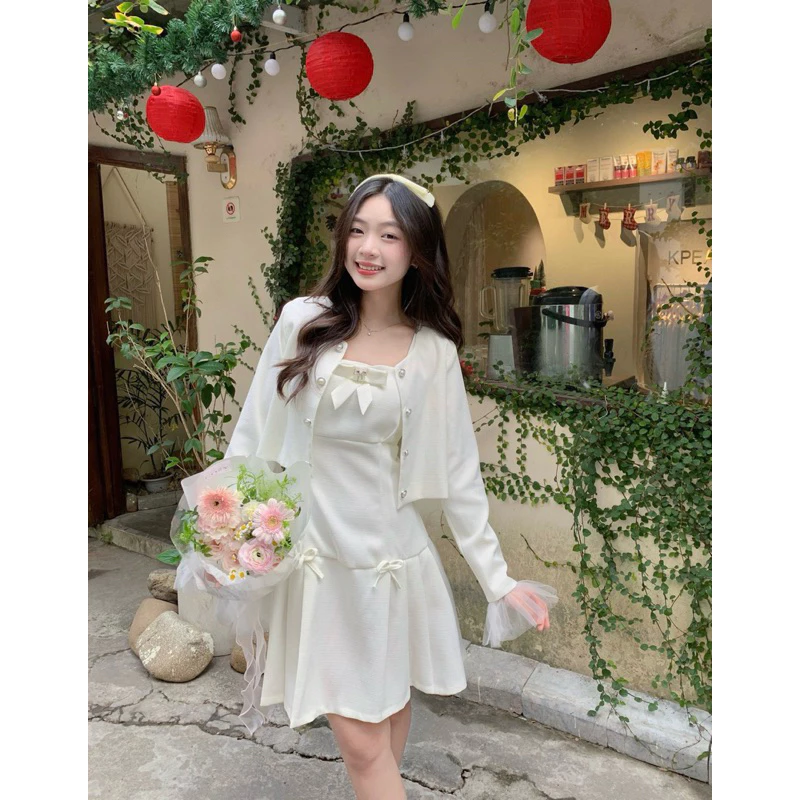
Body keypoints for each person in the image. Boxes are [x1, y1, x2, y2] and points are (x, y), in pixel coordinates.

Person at [225, 174, 557, 800]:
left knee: (387, 714)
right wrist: (225, 525)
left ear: (418, 251)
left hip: (389, 565)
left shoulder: (431, 352)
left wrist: (498, 579)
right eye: (357, 230)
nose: (367, 248)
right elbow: (254, 429)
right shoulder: (303, 321)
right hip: (318, 564)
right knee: (361, 743)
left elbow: (459, 472)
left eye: (389, 234)